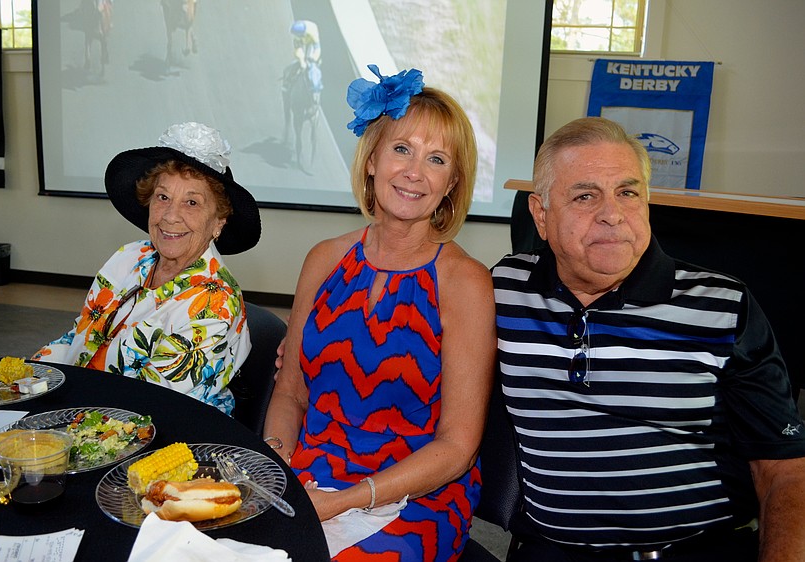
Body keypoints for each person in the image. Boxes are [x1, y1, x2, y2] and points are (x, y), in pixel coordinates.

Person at [492, 116, 805, 561]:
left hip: (695, 551)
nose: (612, 213)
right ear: (540, 215)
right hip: (553, 551)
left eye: (628, 192)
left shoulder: (723, 306)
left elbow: (785, 468)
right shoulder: (504, 288)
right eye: (585, 196)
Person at [263, 65, 496, 561]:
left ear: (452, 182)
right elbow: (289, 392)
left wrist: (342, 502)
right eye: (401, 149)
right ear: (371, 161)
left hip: (417, 493)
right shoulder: (324, 258)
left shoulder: (465, 282)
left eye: (436, 159)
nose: (414, 172)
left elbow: (457, 447)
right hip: (310, 470)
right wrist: (275, 469)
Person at [33, 122, 261, 416]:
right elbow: (79, 338)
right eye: (163, 197)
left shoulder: (214, 303)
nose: (170, 216)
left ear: (218, 222)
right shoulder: (129, 257)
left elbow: (152, 404)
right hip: (84, 405)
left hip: (163, 432)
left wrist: (59, 410)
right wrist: (32, 377)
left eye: (191, 202)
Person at [283, 20, 323, 97]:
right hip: (303, 44)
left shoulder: (312, 30)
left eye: (300, 35)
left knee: (312, 64)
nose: (298, 36)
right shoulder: (297, 35)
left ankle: (317, 85)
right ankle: (288, 82)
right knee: (300, 63)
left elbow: (317, 48)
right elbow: (298, 50)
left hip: (311, 43)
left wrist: (313, 60)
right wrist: (302, 62)